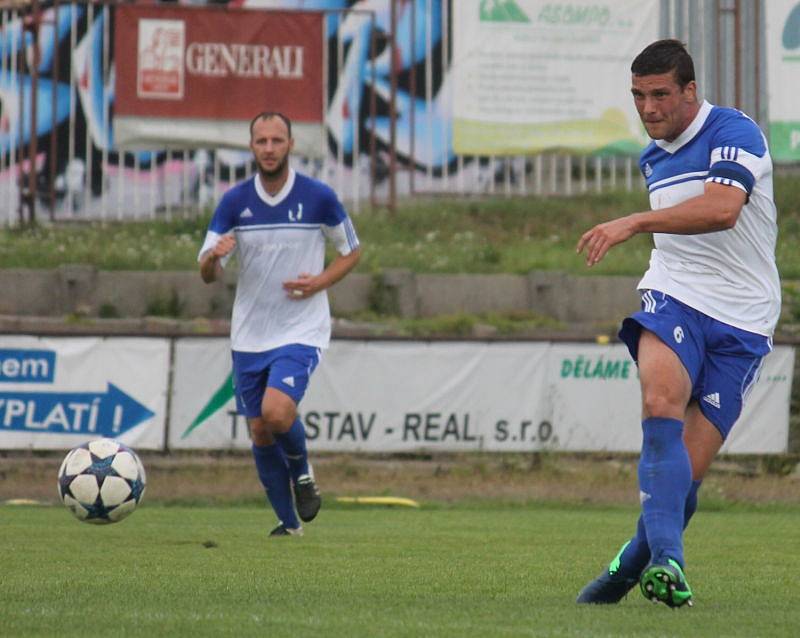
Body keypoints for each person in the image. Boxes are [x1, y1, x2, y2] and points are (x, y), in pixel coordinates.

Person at [575, 39, 780, 607]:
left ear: (691, 90)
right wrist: (645, 229)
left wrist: (634, 221)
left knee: (681, 481)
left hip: (743, 319)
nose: (648, 108)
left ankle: (623, 571)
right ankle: (669, 562)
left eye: (660, 94)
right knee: (660, 400)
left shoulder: (734, 133)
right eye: (638, 96)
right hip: (674, 296)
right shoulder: (654, 155)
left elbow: (722, 210)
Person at [198, 112, 361, 537]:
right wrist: (215, 256)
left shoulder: (319, 197)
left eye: (276, 140)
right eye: (261, 141)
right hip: (250, 334)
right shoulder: (234, 202)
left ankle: (303, 473)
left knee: (275, 411)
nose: (269, 148)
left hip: (301, 330)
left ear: (290, 145)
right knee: (259, 429)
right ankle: (289, 527)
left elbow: (351, 250)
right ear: (251, 147)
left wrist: (320, 282)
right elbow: (207, 272)